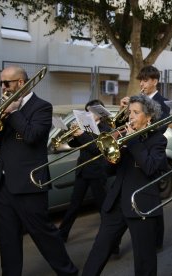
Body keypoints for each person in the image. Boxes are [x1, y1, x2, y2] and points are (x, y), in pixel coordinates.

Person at [0, 66, 78, 275]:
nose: (2, 87)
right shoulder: (6, 107)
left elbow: (33, 136)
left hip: (29, 184)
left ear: (21, 83)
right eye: (1, 83)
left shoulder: (42, 107)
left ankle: (68, 271)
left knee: (44, 234)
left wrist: (13, 113)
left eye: (6, 83)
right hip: (4, 183)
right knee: (8, 238)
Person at [82, 95, 168, 276]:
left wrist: (133, 141)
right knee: (98, 251)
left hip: (141, 205)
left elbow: (151, 168)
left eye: (136, 113)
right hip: (117, 203)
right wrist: (112, 154)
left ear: (149, 117)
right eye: (130, 112)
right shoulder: (122, 136)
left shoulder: (158, 140)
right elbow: (108, 171)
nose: (130, 116)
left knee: (145, 260)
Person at [119, 65, 169, 251]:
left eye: (146, 80)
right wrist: (127, 110)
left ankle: (157, 240)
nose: (142, 83)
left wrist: (139, 129)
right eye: (141, 80)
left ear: (155, 81)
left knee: (153, 200)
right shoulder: (136, 101)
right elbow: (124, 123)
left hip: (151, 150)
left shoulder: (162, 102)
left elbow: (159, 129)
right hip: (133, 152)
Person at [58, 99, 111, 242]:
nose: (87, 114)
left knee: (102, 206)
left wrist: (81, 134)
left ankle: (112, 238)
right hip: (82, 170)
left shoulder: (106, 129)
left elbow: (96, 149)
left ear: (99, 113)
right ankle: (62, 233)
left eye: (91, 112)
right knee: (74, 204)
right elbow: (73, 144)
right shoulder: (84, 127)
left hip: (97, 172)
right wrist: (72, 133)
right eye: (86, 112)